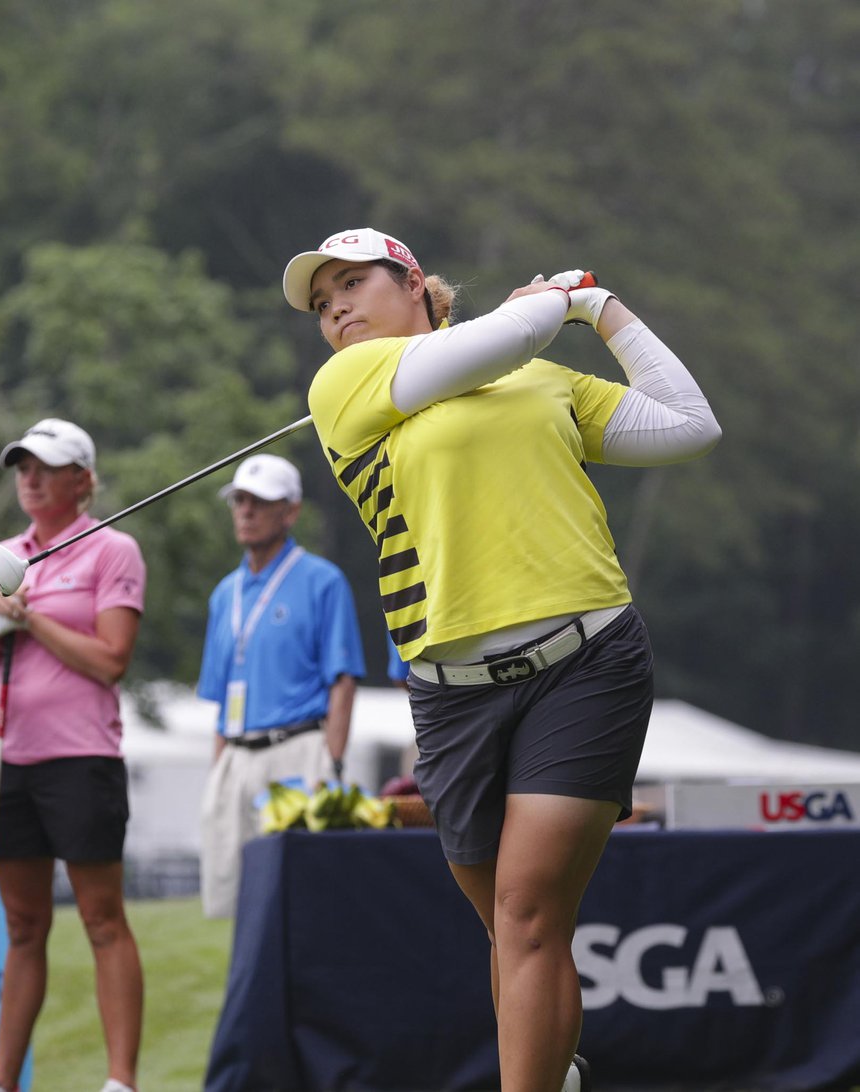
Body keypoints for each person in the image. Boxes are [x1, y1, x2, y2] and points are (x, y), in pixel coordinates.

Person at [282, 228, 721, 1092]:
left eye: (351, 283)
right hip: (452, 696)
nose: (334, 306)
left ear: (412, 282)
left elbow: (689, 426)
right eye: (321, 301)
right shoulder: (346, 384)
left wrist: (601, 308)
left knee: (524, 914)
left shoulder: (538, 374)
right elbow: (512, 333)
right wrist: (550, 304)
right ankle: (553, 1068)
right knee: (518, 929)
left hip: (586, 661)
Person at [0, 418, 146, 1092]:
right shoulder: (1, 557)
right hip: (8, 754)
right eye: (22, 467)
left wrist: (31, 618)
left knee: (101, 917)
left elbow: (111, 661)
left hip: (82, 757)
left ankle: (120, 1080)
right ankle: (1, 1079)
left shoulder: (112, 550)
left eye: (44, 467)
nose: (29, 478)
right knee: (23, 924)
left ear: (82, 480)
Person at [196, 453, 366, 918]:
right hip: (235, 754)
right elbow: (219, 696)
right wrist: (218, 774)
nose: (245, 511)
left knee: (305, 898)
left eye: (259, 501)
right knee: (238, 903)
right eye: (239, 500)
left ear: (290, 511)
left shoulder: (322, 581)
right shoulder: (223, 594)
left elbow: (342, 682)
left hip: (298, 751)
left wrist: (330, 765)